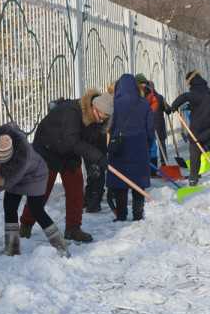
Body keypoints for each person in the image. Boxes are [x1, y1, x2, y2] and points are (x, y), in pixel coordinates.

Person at [19, 90, 113, 242]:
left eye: (106, 117)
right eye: (102, 115)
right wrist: (96, 156)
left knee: (76, 189)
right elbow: (72, 141)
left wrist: (101, 160)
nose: (103, 119)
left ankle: (73, 228)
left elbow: (97, 143)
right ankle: (26, 224)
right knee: (41, 191)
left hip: (69, 153)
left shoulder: (98, 121)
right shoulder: (72, 112)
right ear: (95, 107)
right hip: (47, 149)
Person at [0, 124, 69, 257]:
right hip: (14, 174)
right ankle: (12, 247)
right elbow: (5, 130)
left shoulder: (23, 159)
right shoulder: (3, 137)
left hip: (36, 176)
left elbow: (2, 183)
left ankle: (60, 245)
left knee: (37, 210)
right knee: (9, 206)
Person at [106, 74, 154, 221]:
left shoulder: (115, 104)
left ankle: (121, 215)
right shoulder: (145, 104)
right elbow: (150, 129)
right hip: (139, 148)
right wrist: (147, 144)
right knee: (138, 182)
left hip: (120, 148)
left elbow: (109, 127)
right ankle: (138, 214)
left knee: (121, 183)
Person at [170, 70, 210, 185]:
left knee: (195, 151)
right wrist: (192, 106)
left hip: (198, 126)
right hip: (209, 124)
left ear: (191, 80)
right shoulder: (206, 89)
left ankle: (193, 177)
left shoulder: (195, 90)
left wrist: (174, 106)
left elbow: (186, 96)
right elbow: (202, 102)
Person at [82, 90, 113, 213]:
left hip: (98, 148)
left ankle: (89, 200)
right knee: (96, 175)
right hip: (90, 148)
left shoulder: (105, 110)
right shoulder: (89, 113)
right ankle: (93, 203)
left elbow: (105, 130)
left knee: (95, 174)